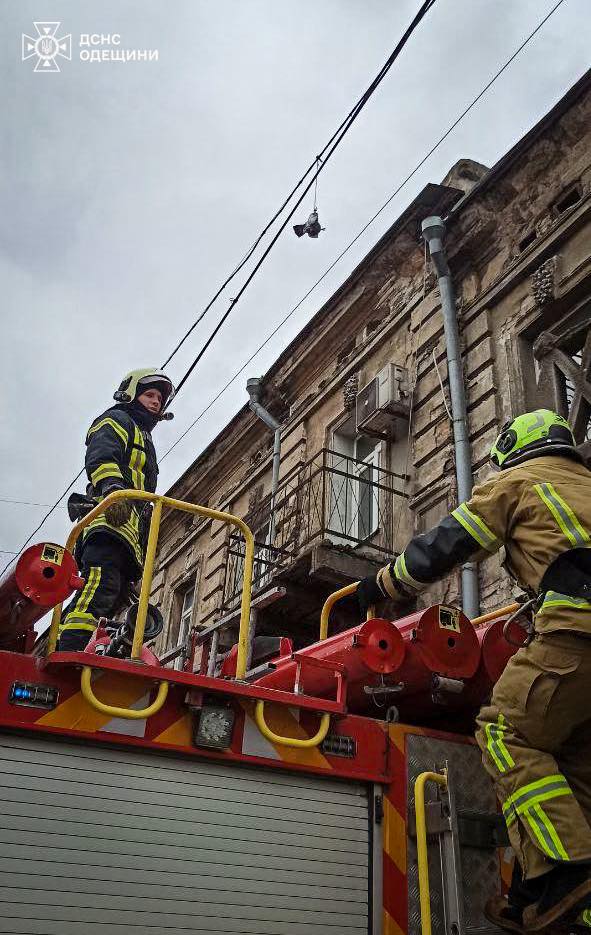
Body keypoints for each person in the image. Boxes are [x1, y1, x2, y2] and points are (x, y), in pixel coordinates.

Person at [357, 409, 591, 932]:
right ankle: (546, 896)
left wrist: (382, 586)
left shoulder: (517, 482)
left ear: (512, 447)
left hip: (577, 630)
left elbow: (450, 542)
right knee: (572, 765)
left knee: (506, 733)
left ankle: (568, 871)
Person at [58, 368, 175, 651]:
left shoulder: (145, 438)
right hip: (108, 523)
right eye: (149, 394)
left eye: (160, 398)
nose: (156, 402)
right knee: (98, 587)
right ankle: (70, 648)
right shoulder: (117, 420)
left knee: (110, 598)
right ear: (130, 394)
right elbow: (102, 456)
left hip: (127, 534)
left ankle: (94, 648)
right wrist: (112, 491)